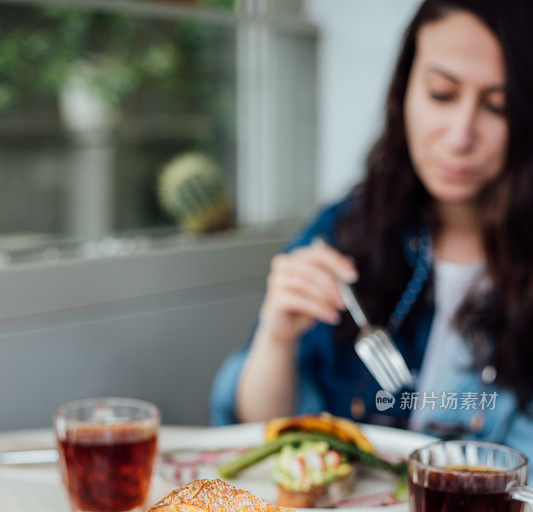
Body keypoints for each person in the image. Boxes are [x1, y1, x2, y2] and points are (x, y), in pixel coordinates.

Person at [210, 0, 533, 463]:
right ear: (404, 95)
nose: (461, 135)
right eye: (441, 94)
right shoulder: (350, 229)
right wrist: (277, 338)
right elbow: (259, 435)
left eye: (497, 106)